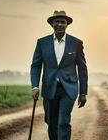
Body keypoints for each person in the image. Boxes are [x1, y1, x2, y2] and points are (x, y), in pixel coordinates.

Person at [30, 10, 88, 140]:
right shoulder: (42, 43)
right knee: (51, 123)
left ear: (67, 24)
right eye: (57, 22)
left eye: (63, 22)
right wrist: (35, 86)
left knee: (63, 122)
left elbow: (82, 69)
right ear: (52, 24)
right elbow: (36, 65)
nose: (60, 24)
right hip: (49, 88)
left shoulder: (76, 43)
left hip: (69, 89)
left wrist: (83, 92)